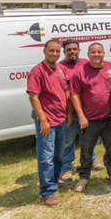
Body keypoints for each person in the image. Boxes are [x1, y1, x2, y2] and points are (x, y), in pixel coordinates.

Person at [69, 43, 111, 192]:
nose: (96, 54)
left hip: (109, 118)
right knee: (86, 150)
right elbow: (74, 95)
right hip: (89, 120)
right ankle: (84, 177)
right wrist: (80, 116)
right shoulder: (80, 72)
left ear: (104, 53)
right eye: (93, 52)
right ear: (88, 54)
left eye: (99, 52)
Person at [27, 40, 70, 206]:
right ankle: (47, 193)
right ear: (44, 51)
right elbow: (33, 96)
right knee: (46, 158)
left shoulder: (60, 69)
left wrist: (68, 114)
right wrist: (43, 120)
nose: (55, 54)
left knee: (58, 156)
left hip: (60, 120)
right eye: (51, 51)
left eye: (58, 51)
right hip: (47, 122)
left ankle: (53, 181)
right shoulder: (37, 71)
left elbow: (64, 92)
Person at [58, 39, 102, 184]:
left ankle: (92, 161)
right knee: (68, 140)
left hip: (87, 111)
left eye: (75, 49)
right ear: (64, 52)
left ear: (79, 50)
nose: (72, 52)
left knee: (87, 139)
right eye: (69, 49)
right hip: (69, 112)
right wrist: (69, 112)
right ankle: (65, 168)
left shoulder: (86, 63)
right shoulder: (59, 67)